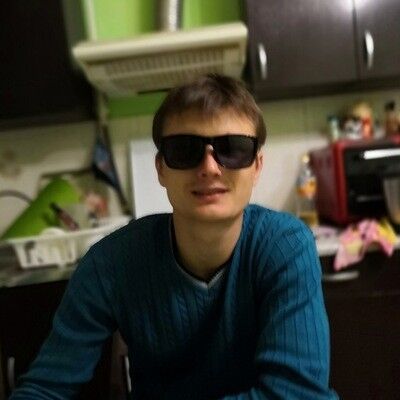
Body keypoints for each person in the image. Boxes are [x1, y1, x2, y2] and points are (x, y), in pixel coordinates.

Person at [10, 74, 337, 399]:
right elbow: (44, 388)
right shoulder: (112, 262)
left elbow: (297, 394)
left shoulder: (285, 247)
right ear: (161, 168)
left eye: (233, 149)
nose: (210, 168)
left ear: (257, 166)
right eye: (184, 150)